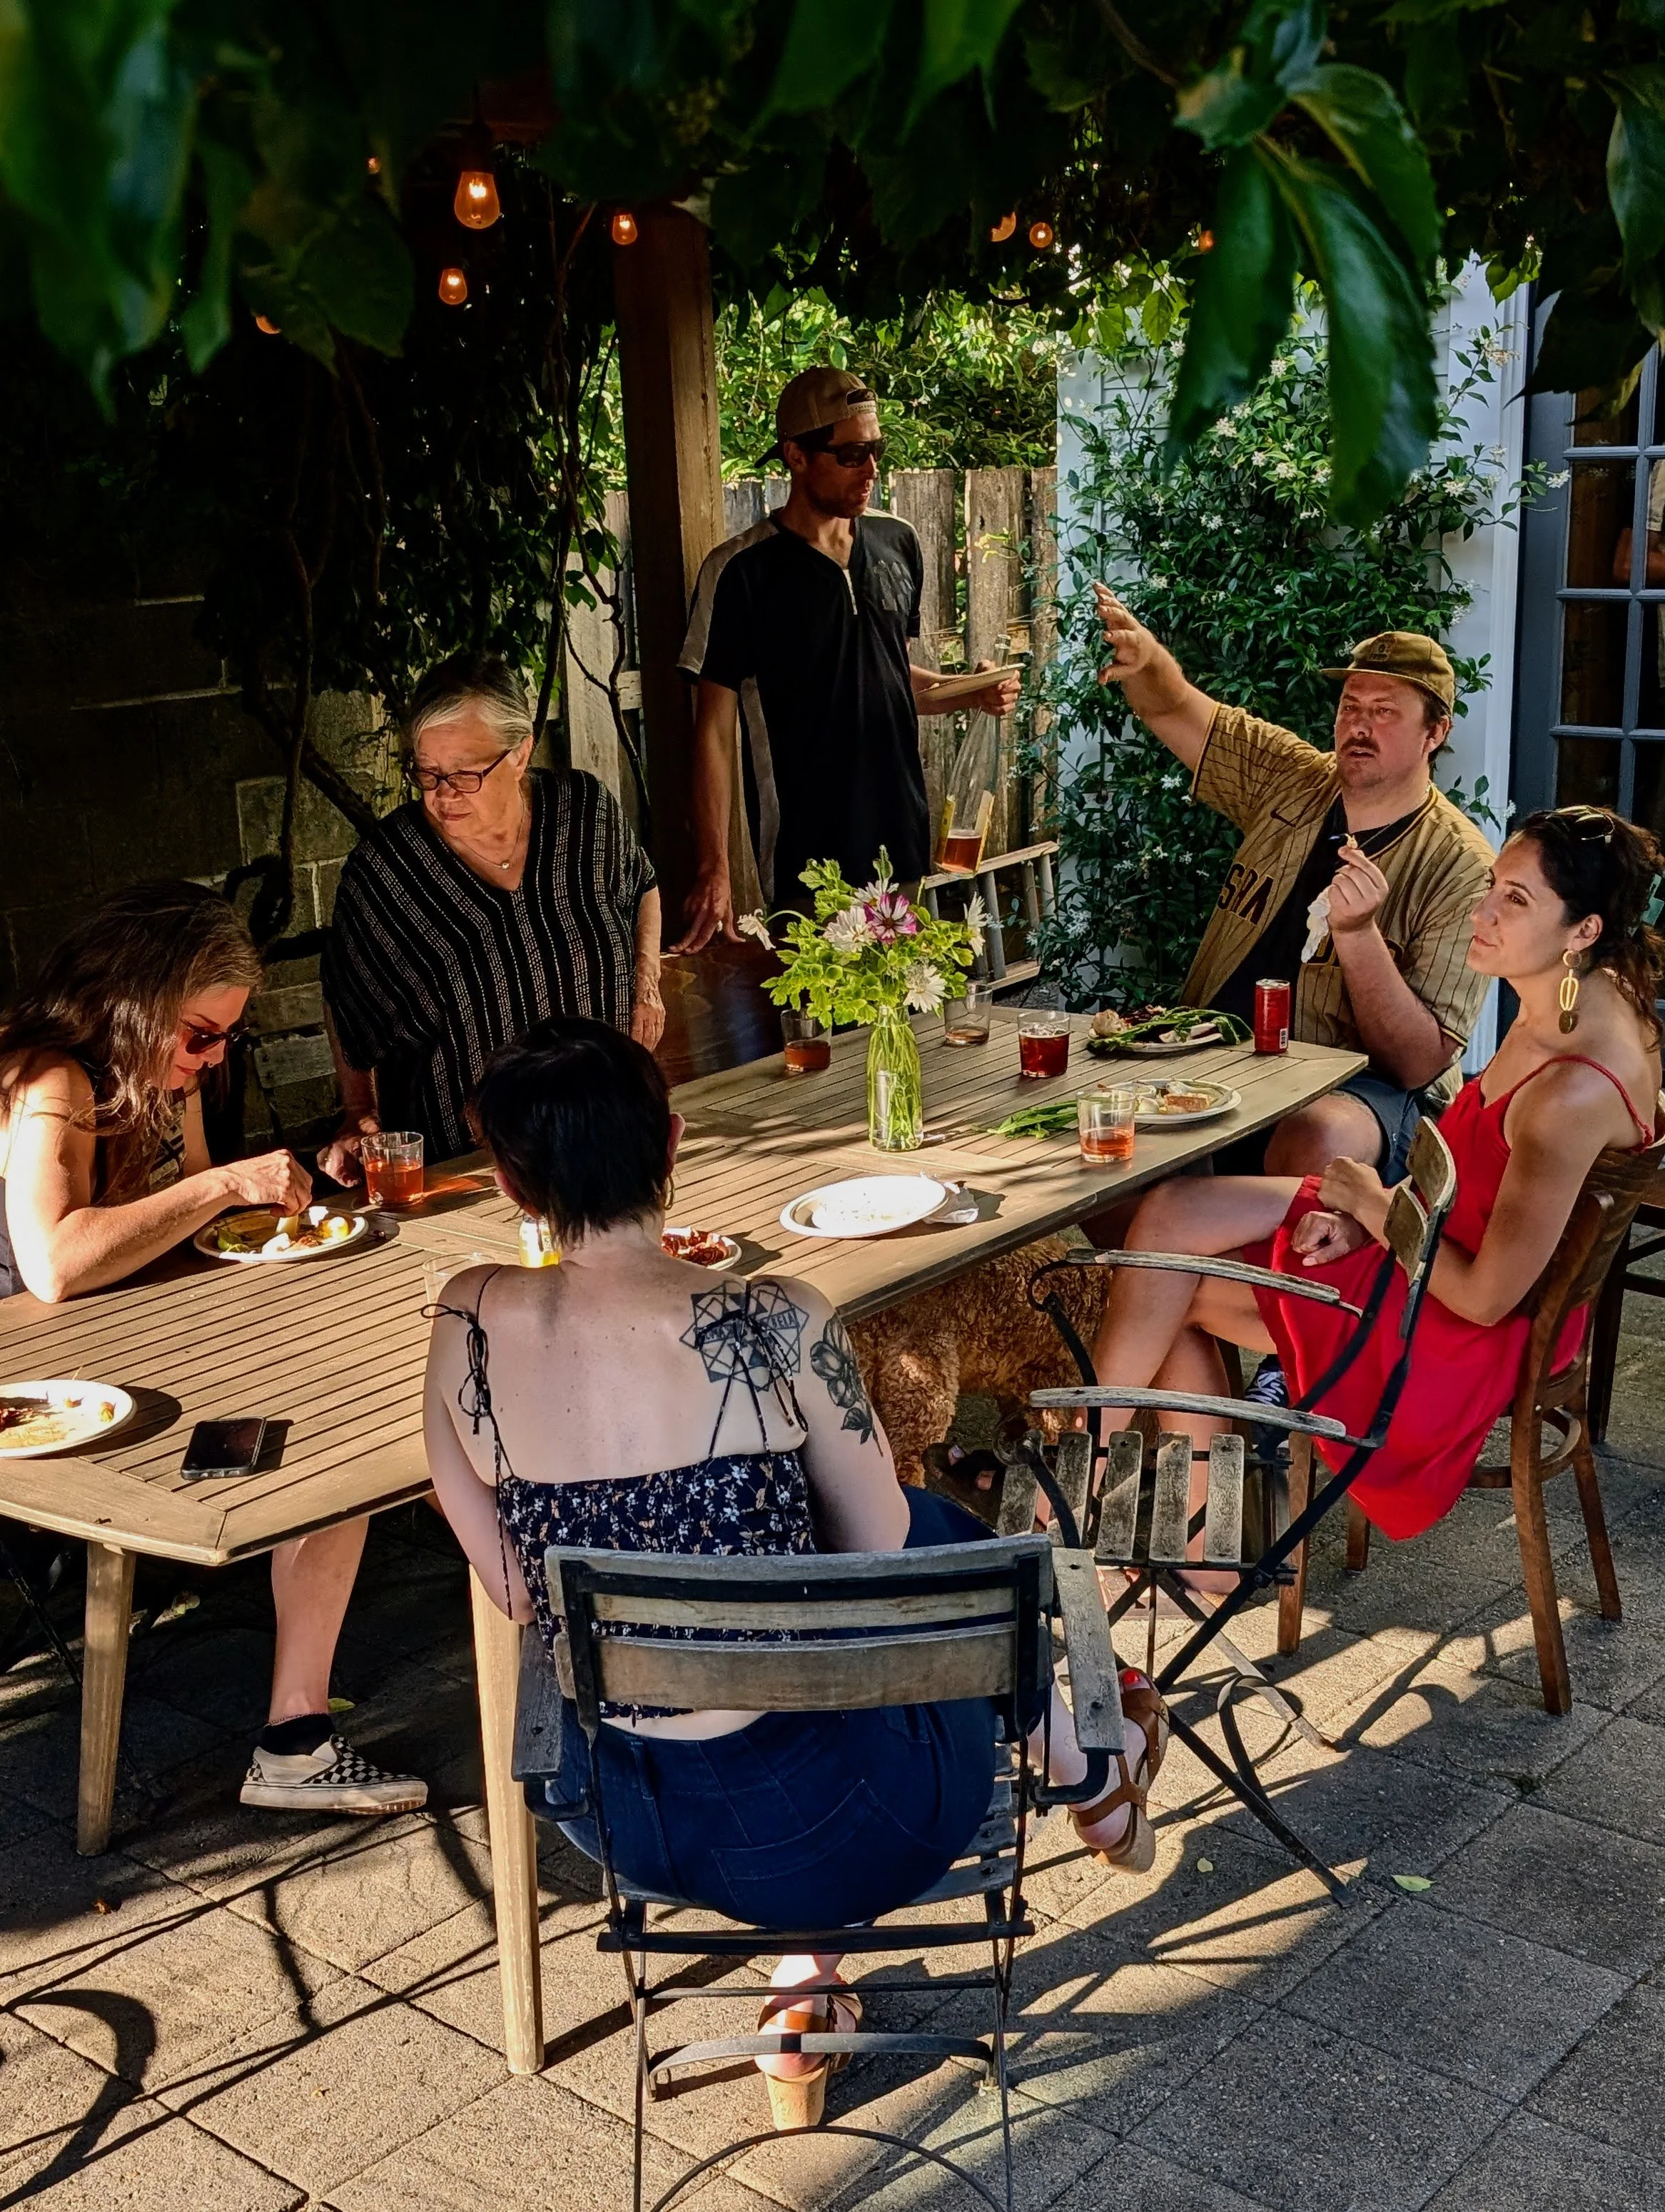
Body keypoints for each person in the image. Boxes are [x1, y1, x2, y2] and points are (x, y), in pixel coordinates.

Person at [424, 1016, 1169, 2126]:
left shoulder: (468, 1316)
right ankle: (1078, 1771)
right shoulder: (776, 1319)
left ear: (508, 1182)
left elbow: (505, 1573)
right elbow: (881, 1551)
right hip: (852, 1825)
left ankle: (816, 1974)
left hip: (619, 1819)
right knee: (920, 1540)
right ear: (673, 1144)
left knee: (886, 1568)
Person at [1085, 807, 1662, 1550]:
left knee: (1166, 1282)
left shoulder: (1567, 1095)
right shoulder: (1582, 991)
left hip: (1451, 1331)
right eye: (1491, 886)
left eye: (1514, 901)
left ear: (1583, 930)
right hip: (1420, 1237)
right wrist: (1370, 1211)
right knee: (1165, 1213)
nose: (1478, 913)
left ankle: (1110, 1513)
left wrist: (1370, 1201)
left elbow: (1487, 1300)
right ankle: (1124, 1506)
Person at [0, 880, 426, 1813]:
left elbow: (197, 1221)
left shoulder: (157, 1078)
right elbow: (54, 1263)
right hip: (32, 1401)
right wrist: (224, 1185)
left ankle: (294, 1735)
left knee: (335, 1417)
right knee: (316, 1431)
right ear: (136, 1000)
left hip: (123, 1347)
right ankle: (293, 1733)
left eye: (227, 1035)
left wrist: (303, 1184)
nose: (213, 1054)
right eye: (200, 1032)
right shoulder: (50, 1077)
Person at [1094, 589, 1495, 1182]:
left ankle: (1240, 1269)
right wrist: (1149, 661)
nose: (1359, 726)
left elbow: (1415, 1063)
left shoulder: (1460, 865)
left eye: (1384, 711)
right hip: (1217, 1051)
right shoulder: (1292, 777)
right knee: (1104, 1124)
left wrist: (1357, 936)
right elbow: (1173, 708)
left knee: (1314, 1135)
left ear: (1434, 732)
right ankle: (1184, 1265)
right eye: (1349, 706)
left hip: (1360, 1087)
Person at [672, 367, 1020, 949]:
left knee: (897, 1028)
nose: (872, 470)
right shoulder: (740, 572)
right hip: (806, 858)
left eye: (876, 449)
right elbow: (712, 729)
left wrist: (972, 689)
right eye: (853, 453)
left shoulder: (898, 542)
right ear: (796, 455)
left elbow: (890, 678)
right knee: (819, 1030)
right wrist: (714, 867)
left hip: (901, 842)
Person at [318, 652, 664, 1183]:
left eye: (464, 774)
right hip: (470, 1169)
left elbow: (642, 884)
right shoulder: (387, 871)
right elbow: (347, 995)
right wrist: (357, 1110)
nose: (442, 794)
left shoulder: (585, 813)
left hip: (608, 1139)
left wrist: (646, 979)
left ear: (521, 752)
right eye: (427, 773)